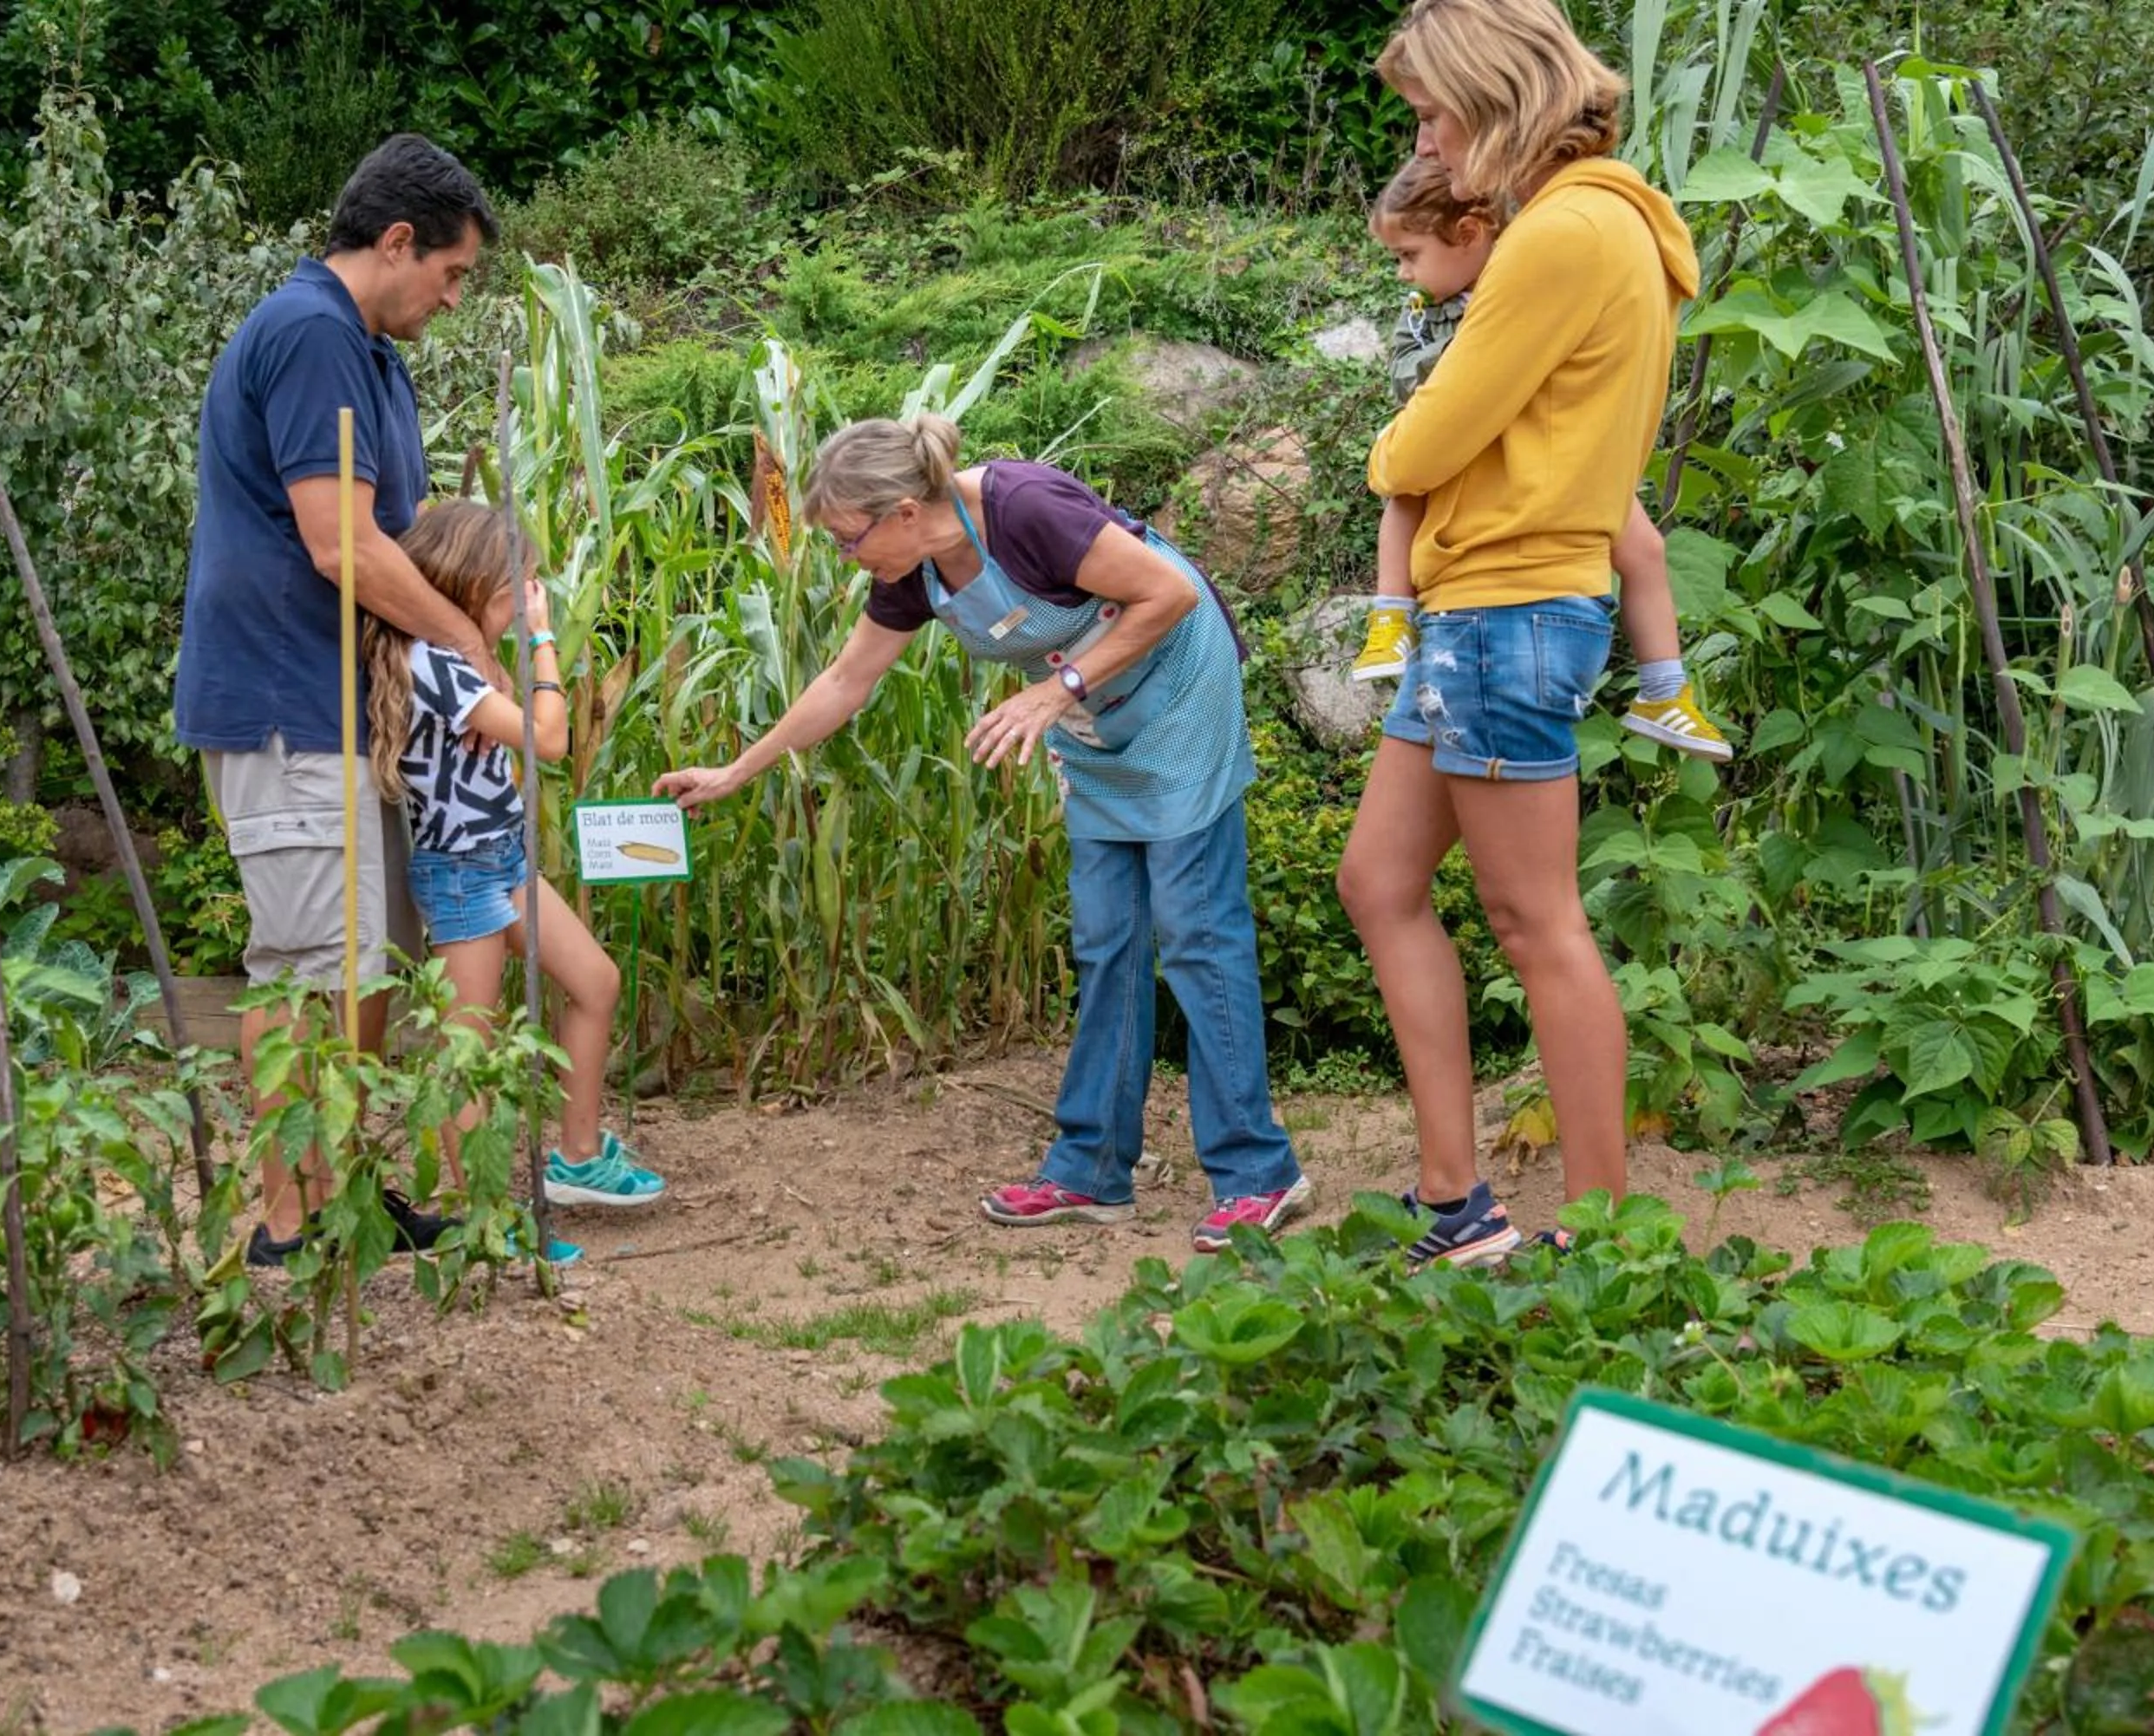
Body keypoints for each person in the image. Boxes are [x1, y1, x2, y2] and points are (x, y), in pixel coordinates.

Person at [654, 418, 1312, 1254]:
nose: (847, 559)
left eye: (849, 541)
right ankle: (1092, 1168)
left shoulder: (1027, 507)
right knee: (1107, 940)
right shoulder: (914, 569)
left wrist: (1055, 688)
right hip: (1090, 714)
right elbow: (845, 679)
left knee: (1194, 933)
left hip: (1179, 686)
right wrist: (737, 771)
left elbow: (1168, 595)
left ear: (899, 512)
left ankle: (1259, 1173)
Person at [1336, 0, 1699, 1263]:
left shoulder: (1564, 235)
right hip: (1477, 609)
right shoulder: (1600, 222)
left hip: (1507, 604)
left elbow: (1424, 441)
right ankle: (1458, 1207)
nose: (1428, 144)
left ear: (1497, 94)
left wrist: (1390, 451)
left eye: (1433, 113)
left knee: (1535, 919)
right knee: (1380, 883)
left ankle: (1605, 1241)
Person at [173, 134, 500, 1267]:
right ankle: (291, 1220)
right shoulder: (313, 332)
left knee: (361, 964)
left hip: (347, 713)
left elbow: (403, 537)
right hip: (285, 701)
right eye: (450, 273)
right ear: (396, 240)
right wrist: (469, 644)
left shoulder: (369, 356)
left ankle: (343, 1190)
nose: (451, 298)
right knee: (314, 968)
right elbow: (340, 543)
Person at [1348, 157, 1732, 766]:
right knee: (1403, 491)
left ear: (1471, 233)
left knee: (1647, 551)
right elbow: (1420, 389)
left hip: (1530, 535)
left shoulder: (1540, 259)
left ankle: (1664, 688)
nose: (1404, 274)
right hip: (1495, 487)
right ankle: (1390, 615)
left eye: (1410, 256)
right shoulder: (1433, 309)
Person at [363, 499, 668, 1263]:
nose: (524, 604)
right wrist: (540, 641)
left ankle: (575, 1158)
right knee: (470, 1049)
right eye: (515, 592)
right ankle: (481, 1220)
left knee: (594, 981)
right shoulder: (428, 661)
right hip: (461, 871)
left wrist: (503, 652)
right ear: (470, 587)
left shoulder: (460, 654)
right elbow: (553, 739)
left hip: (503, 857)